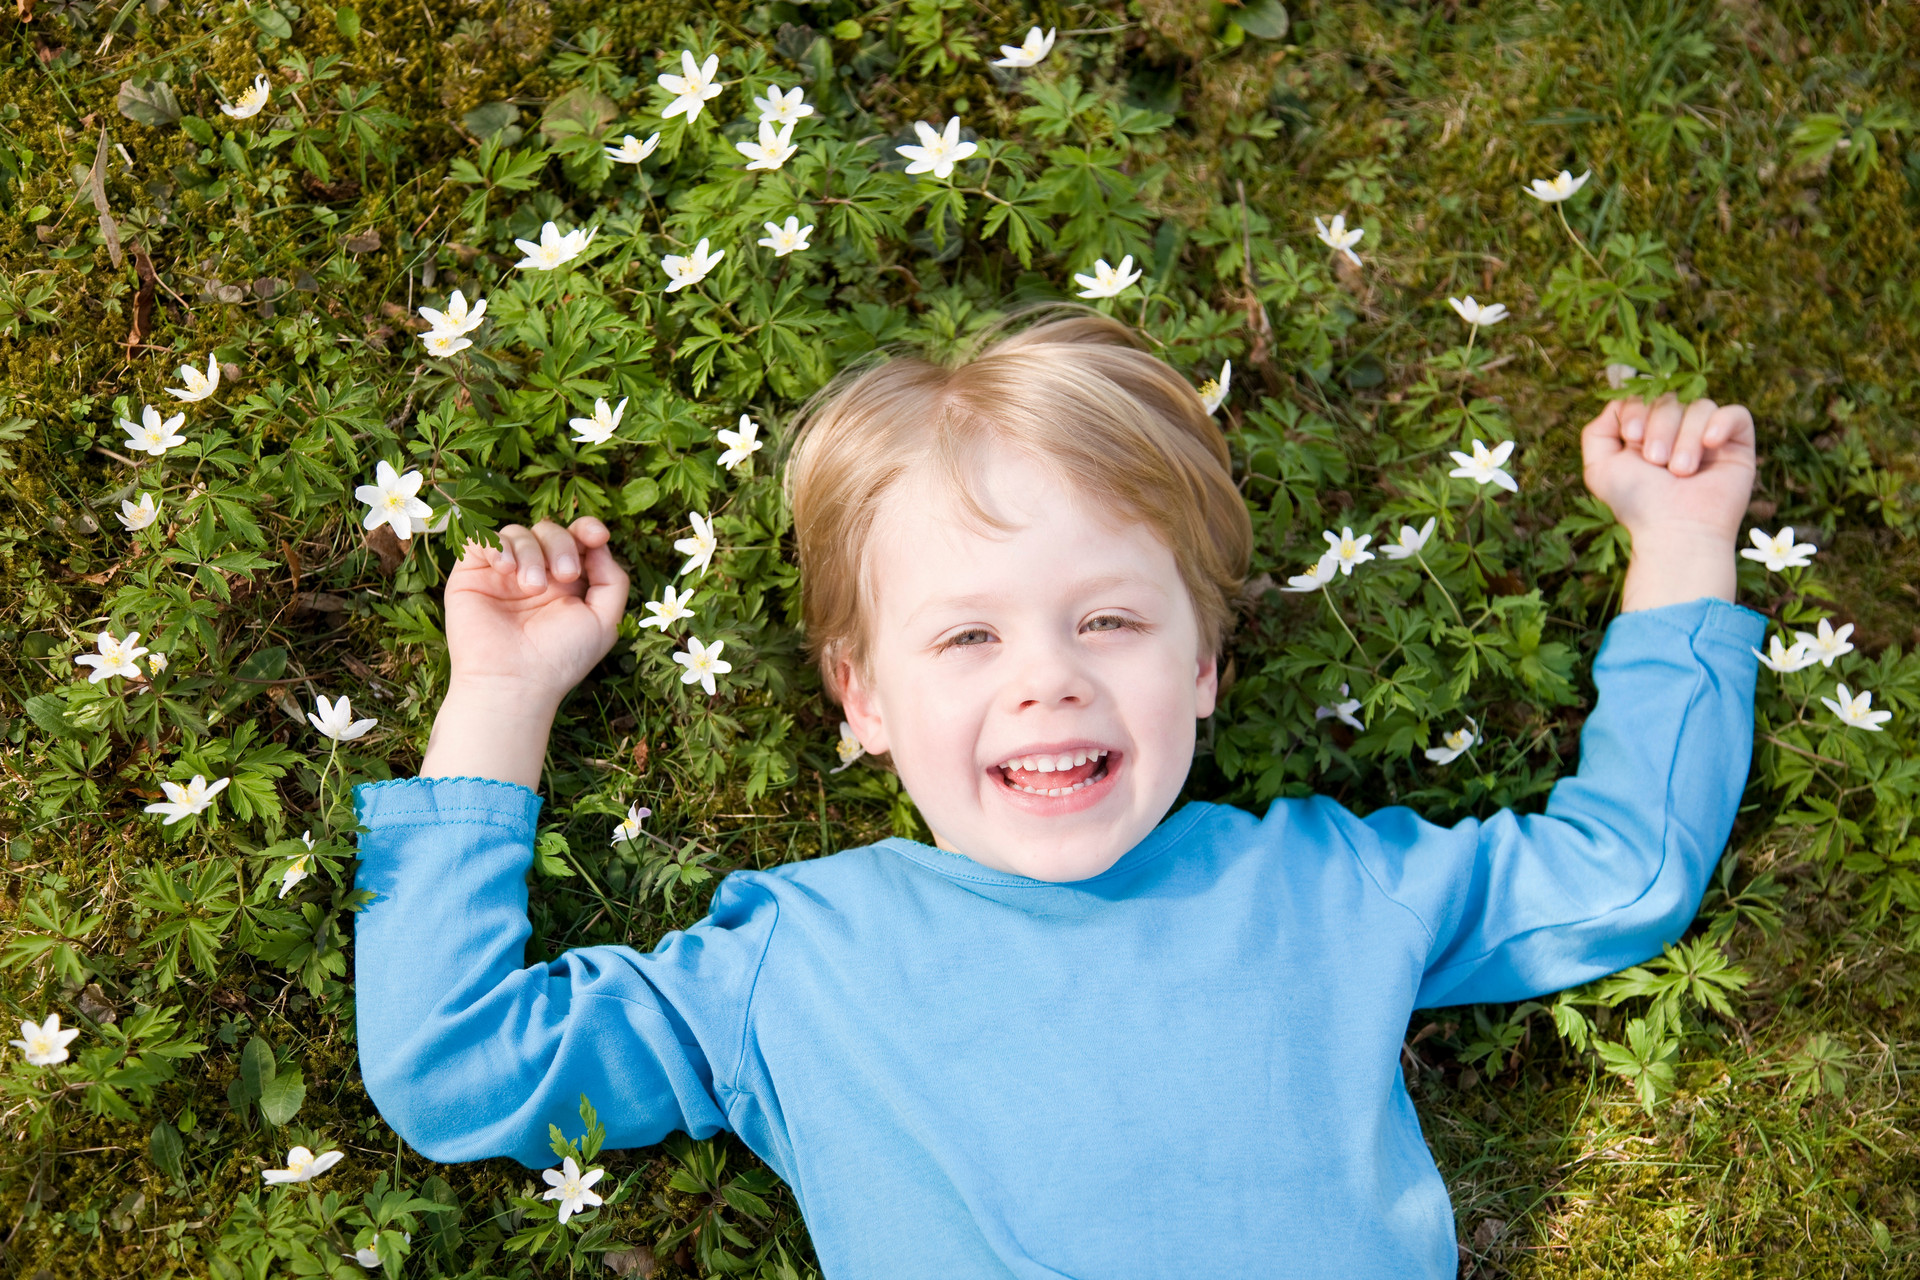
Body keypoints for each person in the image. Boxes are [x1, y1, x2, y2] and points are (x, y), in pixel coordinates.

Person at [353, 312, 1765, 1276]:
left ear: (1205, 665)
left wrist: (1683, 546)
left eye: (1110, 622)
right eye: (969, 636)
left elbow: (1620, 872)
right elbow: (457, 1064)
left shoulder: (1327, 885)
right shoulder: (790, 962)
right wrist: (504, 697)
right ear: (865, 701)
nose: (1051, 682)